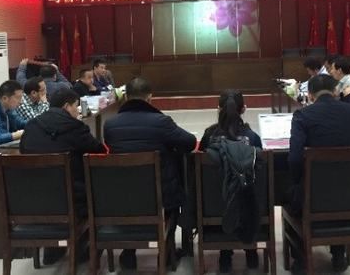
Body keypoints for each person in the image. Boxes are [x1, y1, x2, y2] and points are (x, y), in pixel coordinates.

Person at [103, 77, 196, 270]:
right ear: (150, 98)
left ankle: (129, 252)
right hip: (159, 197)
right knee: (174, 184)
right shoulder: (161, 122)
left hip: (121, 196)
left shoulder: (110, 125)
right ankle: (168, 252)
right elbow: (189, 142)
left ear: (126, 97)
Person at [288, 75, 350, 274]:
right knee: (337, 190)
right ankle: (338, 255)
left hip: (314, 195)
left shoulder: (303, 115)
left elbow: (295, 159)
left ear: (310, 95)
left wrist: (298, 183)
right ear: (336, 91)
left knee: (292, 195)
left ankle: (301, 260)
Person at [20, 88, 106, 265]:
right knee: (99, 191)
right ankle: (82, 248)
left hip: (32, 198)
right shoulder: (75, 127)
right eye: (76, 106)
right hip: (72, 198)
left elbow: (23, 152)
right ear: (67, 107)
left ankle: (53, 249)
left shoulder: (31, 126)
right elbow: (99, 151)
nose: (78, 111)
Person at [198, 90, 262, 272]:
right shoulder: (253, 138)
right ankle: (251, 251)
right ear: (244, 109)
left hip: (215, 205)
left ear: (218, 109)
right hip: (247, 206)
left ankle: (225, 254)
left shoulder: (209, 137)